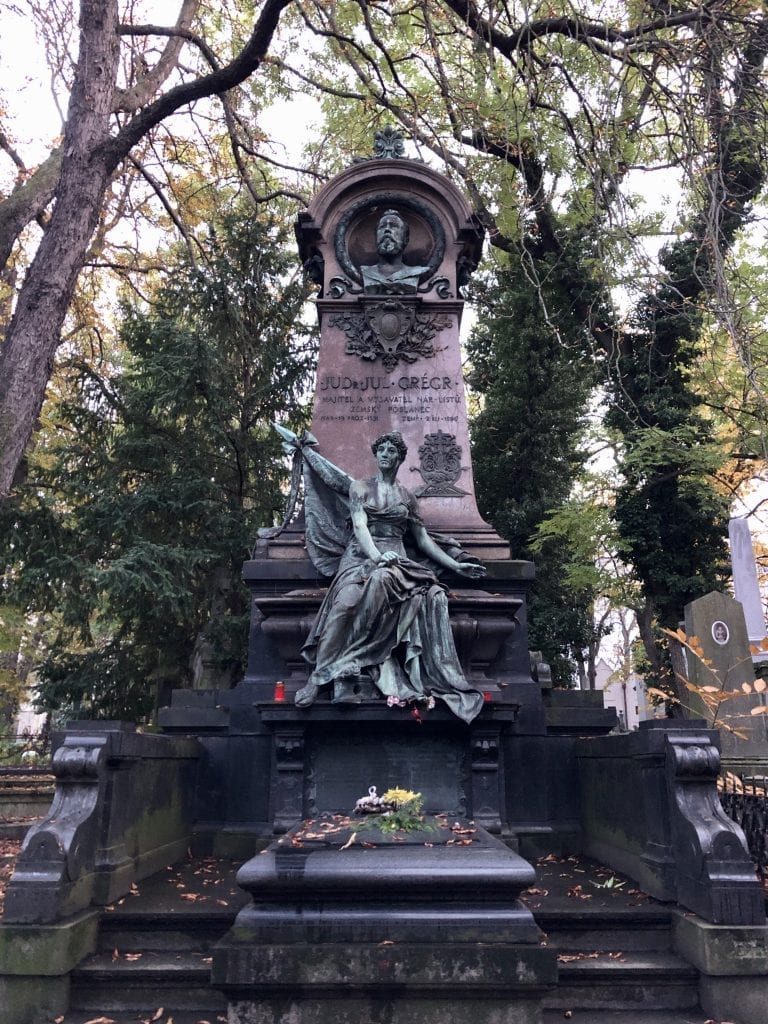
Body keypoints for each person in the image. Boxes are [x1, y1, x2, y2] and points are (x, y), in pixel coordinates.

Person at [289, 430, 486, 723]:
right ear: (375, 454)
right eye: (381, 450)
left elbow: (422, 540)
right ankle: (318, 676)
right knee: (345, 603)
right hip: (360, 557)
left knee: (420, 591)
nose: (385, 455)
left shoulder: (407, 498)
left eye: (391, 451)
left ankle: (355, 658)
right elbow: (359, 527)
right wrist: (377, 557)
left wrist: (456, 567)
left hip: (397, 561)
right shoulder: (360, 488)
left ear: (400, 458)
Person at [359, 210, 431, 294]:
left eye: (394, 226)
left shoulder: (416, 272)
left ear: (406, 239)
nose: (387, 229)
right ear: (376, 238)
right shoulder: (364, 271)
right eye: (382, 227)